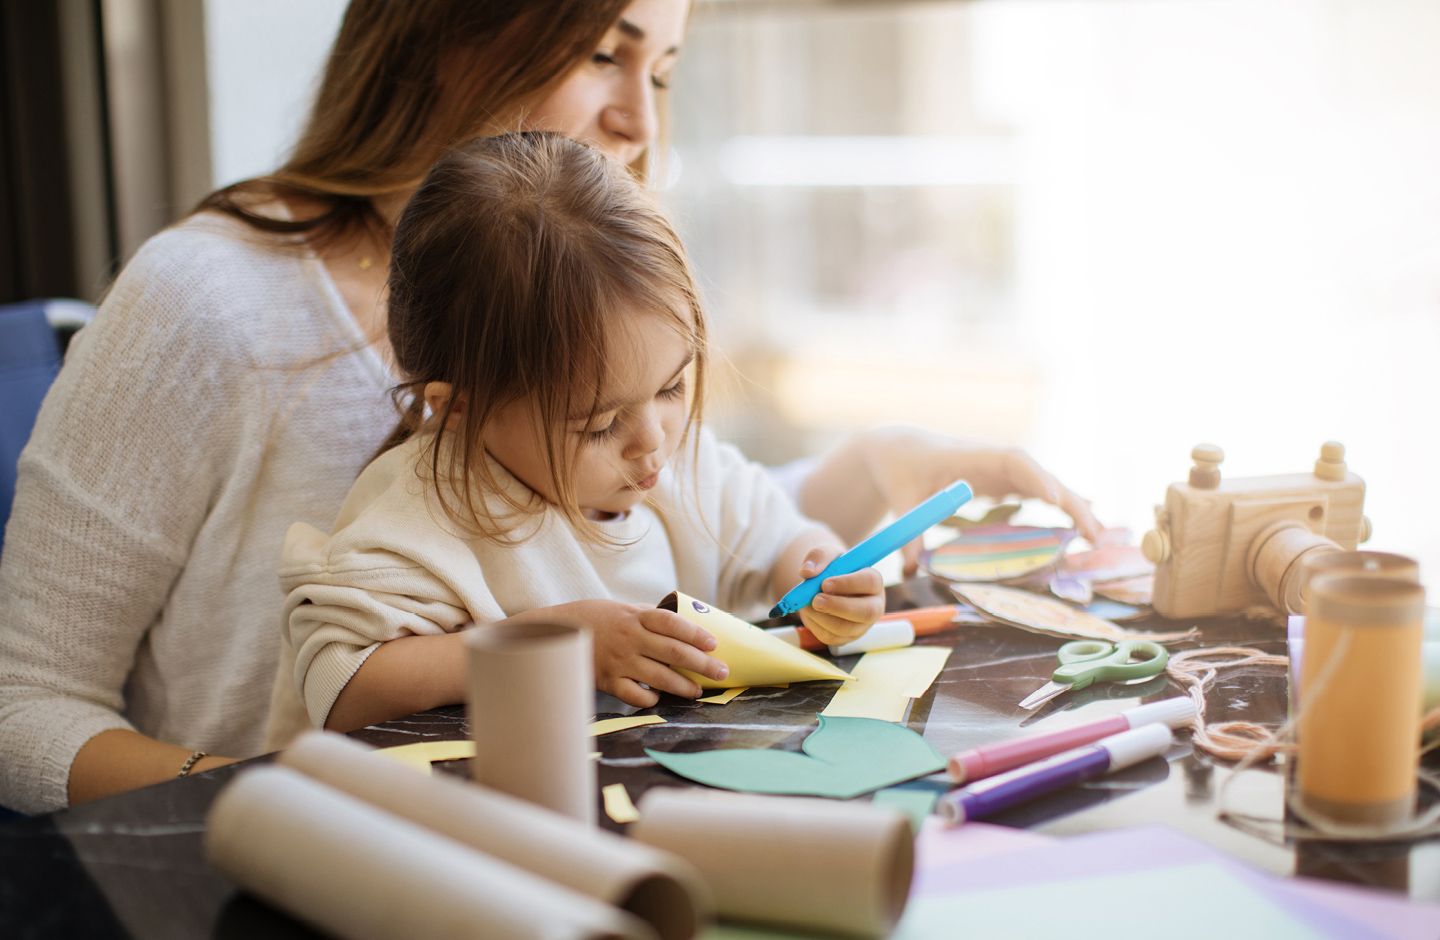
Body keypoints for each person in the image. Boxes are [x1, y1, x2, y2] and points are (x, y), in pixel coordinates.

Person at [0, 0, 1098, 815]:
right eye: (602, 51)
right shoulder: (207, 309)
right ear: (447, 27)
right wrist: (250, 801)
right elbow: (20, 709)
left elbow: (645, 515)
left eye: (665, 69)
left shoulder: (604, 296)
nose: (639, 122)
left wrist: (877, 474)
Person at [268, 131, 884, 740]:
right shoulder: (426, 509)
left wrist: (826, 576)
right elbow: (340, 684)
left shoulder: (681, 466)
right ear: (457, 409)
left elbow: (781, 540)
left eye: (671, 388)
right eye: (599, 425)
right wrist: (559, 642)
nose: (652, 441)